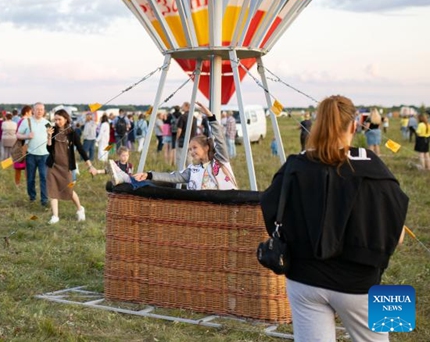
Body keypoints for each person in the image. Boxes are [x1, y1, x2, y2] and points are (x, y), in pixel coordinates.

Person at [260, 95, 409, 342]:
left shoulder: (295, 165)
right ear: (353, 126)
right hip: (361, 283)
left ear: (317, 124)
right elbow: (398, 237)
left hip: (303, 279)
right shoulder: (372, 165)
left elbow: (270, 210)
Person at [133, 102, 237, 190]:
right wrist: (149, 175)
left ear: (206, 147)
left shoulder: (220, 160)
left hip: (228, 208)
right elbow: (172, 177)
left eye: (195, 148)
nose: (192, 151)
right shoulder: (192, 170)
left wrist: (211, 117)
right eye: (190, 149)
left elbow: (220, 139)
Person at [45, 109, 97, 224]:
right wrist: (49, 136)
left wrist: (90, 166)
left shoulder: (72, 133)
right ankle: (55, 216)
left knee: (69, 190)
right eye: (56, 119)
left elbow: (81, 149)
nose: (57, 121)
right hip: (53, 166)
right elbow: (49, 149)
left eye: (59, 119)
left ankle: (80, 208)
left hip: (66, 167)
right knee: (53, 190)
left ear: (66, 119)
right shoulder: (52, 131)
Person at [18, 103, 52, 206]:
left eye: (41, 109)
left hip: (44, 154)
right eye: (37, 109)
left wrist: (50, 136)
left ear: (44, 111)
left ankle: (44, 200)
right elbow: (18, 135)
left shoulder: (47, 123)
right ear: (33, 110)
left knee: (44, 177)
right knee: (30, 177)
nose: (40, 111)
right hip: (31, 154)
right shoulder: (27, 121)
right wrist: (27, 136)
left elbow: (50, 137)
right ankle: (32, 197)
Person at [11, 106, 32, 186]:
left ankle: (18, 183)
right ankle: (25, 183)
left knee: (19, 166)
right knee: (25, 166)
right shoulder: (25, 121)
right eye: (30, 112)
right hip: (23, 145)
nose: (31, 114)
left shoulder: (20, 120)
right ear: (26, 112)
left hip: (21, 145)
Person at [174, 102, 199, 168]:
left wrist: (177, 139)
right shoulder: (194, 118)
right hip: (192, 140)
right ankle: (190, 172)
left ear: (186, 106)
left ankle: (181, 173)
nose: (181, 107)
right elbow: (195, 130)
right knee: (189, 158)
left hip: (183, 140)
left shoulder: (182, 117)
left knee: (180, 158)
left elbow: (179, 130)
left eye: (182, 106)